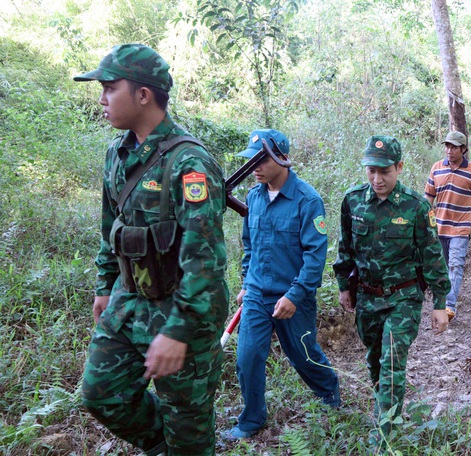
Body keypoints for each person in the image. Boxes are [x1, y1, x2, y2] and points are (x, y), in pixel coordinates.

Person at [75, 44, 229, 455]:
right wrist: (105, 285)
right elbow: (113, 228)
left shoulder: (189, 164)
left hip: (185, 314)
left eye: (110, 88)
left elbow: (206, 261)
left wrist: (177, 331)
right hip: (130, 302)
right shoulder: (117, 153)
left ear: (143, 95)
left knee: (189, 426)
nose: (102, 99)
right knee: (100, 393)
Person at [333, 135, 450, 447]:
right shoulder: (354, 200)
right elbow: (345, 247)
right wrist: (345, 286)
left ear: (399, 167)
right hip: (368, 297)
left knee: (393, 364)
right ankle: (384, 406)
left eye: (384, 171)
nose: (377, 178)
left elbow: (432, 256)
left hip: (404, 297)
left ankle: (385, 437)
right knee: (375, 362)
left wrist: (440, 302)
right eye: (371, 170)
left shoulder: (415, 207)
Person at [223, 129, 340, 441]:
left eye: (261, 160)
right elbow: (250, 246)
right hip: (257, 295)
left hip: (292, 298)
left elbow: (316, 256)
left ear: (282, 158)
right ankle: (251, 421)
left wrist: (296, 294)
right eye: (251, 161)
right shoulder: (253, 197)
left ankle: (330, 397)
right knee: (248, 358)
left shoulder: (307, 200)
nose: (255, 167)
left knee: (304, 355)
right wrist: (248, 283)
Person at [424, 130, 471, 320]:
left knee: (455, 265)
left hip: (461, 227)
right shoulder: (436, 168)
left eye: (453, 147)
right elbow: (428, 197)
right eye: (447, 146)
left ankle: (449, 306)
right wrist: (422, 222)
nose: (449, 150)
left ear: (463, 149)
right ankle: (440, 300)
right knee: (441, 266)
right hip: (439, 227)